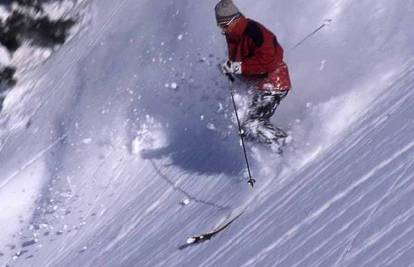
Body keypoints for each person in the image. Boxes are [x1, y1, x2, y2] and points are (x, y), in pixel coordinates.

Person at [215, 0, 292, 146]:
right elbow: (242, 63)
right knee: (245, 129)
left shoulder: (254, 33)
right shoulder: (233, 34)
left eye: (223, 26)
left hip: (274, 82)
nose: (222, 30)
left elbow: (269, 62)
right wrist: (230, 70)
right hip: (259, 85)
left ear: (232, 20)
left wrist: (236, 68)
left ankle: (288, 145)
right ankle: (274, 151)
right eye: (220, 26)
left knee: (252, 124)